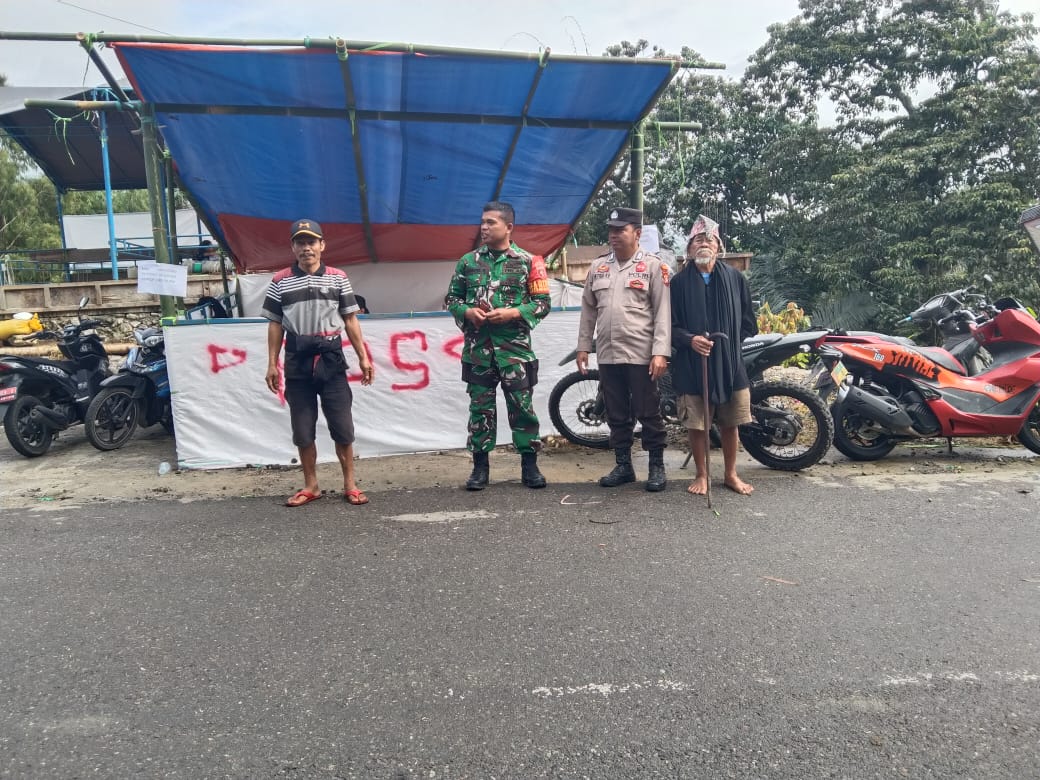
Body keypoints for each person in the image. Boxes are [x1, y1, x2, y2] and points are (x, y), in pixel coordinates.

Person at [262, 218, 375, 507]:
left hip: (331, 359)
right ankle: (311, 485)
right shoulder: (280, 281)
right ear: (293, 247)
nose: (306, 248)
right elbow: (275, 324)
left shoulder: (338, 278)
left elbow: (350, 319)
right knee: (302, 428)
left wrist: (363, 357)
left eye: (311, 242)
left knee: (342, 426)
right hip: (297, 360)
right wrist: (272, 363)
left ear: (322, 245)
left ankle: (350, 484)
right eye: (300, 242)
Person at [445, 201, 551, 490]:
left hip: (515, 353)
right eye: (482, 222)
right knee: (480, 410)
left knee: (522, 408)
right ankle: (480, 468)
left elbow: (542, 303)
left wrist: (513, 313)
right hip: (478, 352)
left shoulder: (529, 262)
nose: (484, 227)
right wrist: (467, 312)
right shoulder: (467, 262)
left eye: (491, 222)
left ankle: (530, 466)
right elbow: (452, 299)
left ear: (509, 227)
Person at [575, 207, 672, 492]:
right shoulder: (598, 267)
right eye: (611, 230)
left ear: (637, 233)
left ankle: (656, 466)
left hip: (641, 353)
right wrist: (583, 346)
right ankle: (623, 465)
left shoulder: (653, 267)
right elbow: (588, 310)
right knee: (615, 412)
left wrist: (660, 352)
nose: (614, 235)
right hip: (608, 353)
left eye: (620, 230)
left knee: (648, 411)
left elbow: (663, 313)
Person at [670, 214, 758, 496]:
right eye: (698, 240)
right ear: (689, 248)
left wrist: (727, 346)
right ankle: (702, 474)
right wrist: (690, 340)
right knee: (697, 424)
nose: (704, 244)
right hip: (691, 363)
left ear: (719, 247)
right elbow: (668, 326)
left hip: (730, 363)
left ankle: (731, 474)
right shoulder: (677, 283)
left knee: (731, 422)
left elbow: (748, 322)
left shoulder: (735, 279)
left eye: (710, 240)